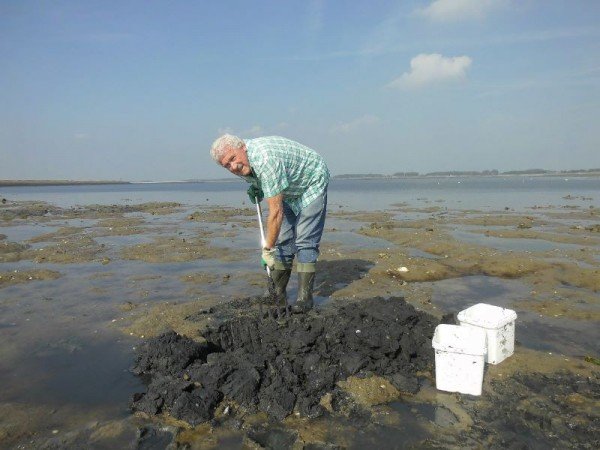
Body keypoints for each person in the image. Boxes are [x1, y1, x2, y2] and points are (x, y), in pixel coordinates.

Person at [210, 134, 329, 312]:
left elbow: (275, 213)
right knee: (284, 240)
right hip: (288, 187)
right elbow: (264, 182)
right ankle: (277, 293)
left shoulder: (266, 159)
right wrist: (257, 186)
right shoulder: (246, 163)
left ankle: (305, 299)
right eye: (227, 165)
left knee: (305, 240)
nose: (233, 166)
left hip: (311, 180)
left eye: (233, 158)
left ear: (242, 147)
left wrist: (268, 250)